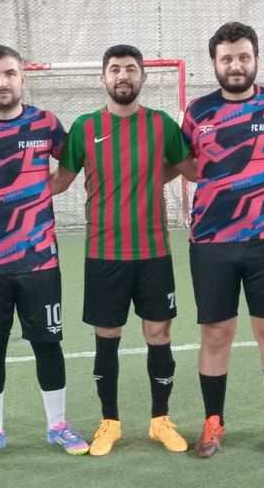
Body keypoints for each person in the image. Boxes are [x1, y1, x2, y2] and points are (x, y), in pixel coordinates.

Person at [0, 44, 88, 465]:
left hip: (39, 258)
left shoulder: (45, 123)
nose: (2, 81)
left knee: (47, 343)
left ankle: (57, 425)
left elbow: (73, 159)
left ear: (23, 77)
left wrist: (53, 186)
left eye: (9, 73)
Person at [50, 44, 194, 457]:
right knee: (107, 338)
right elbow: (60, 181)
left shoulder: (161, 125)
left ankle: (160, 420)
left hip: (153, 252)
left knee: (159, 334)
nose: (123, 76)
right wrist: (9, 190)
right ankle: (109, 422)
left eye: (131, 69)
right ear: (104, 78)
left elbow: (192, 168)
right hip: (104, 254)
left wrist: (156, 176)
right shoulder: (84, 127)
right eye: (115, 69)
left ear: (143, 76)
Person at [182, 22, 264, 461]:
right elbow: (186, 164)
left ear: (255, 59)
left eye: (243, 57)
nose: (235, 65)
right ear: (214, 63)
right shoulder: (197, 112)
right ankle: (213, 422)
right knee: (216, 334)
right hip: (211, 243)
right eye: (227, 58)